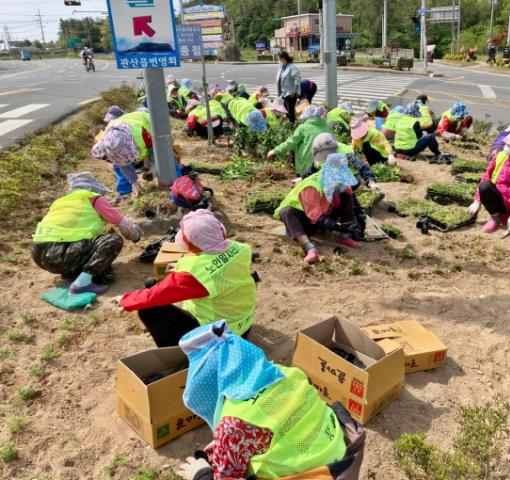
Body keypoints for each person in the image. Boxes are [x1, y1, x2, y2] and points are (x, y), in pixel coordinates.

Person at [174, 322, 364, 480]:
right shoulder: (286, 373)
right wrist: (228, 442)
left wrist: (200, 473)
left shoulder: (233, 424)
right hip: (342, 458)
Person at [117, 210, 257, 346]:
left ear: (190, 244)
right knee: (152, 285)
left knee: (148, 308)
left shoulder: (195, 274)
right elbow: (217, 268)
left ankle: (176, 352)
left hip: (218, 336)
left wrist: (125, 300)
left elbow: (155, 295)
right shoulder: (241, 248)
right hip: (242, 325)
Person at [32, 172, 142, 294]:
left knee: (82, 242)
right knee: (113, 240)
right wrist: (136, 235)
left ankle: (71, 272)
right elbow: (125, 226)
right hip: (60, 254)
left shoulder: (60, 202)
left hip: (39, 254)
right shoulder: (92, 198)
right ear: (91, 186)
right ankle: (82, 283)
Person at [274, 154, 363, 264]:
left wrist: (353, 222)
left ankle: (345, 237)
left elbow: (349, 194)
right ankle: (309, 247)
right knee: (286, 211)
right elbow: (316, 217)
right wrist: (338, 226)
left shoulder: (338, 182)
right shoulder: (312, 186)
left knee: (347, 195)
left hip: (323, 216)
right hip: (304, 221)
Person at [268, 105, 331, 174]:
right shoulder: (327, 127)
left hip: (307, 167)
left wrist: (275, 151)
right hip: (324, 166)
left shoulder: (304, 128)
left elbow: (290, 143)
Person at [276, 51, 302, 122]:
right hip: (283, 93)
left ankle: (292, 125)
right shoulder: (281, 67)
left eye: (278, 58)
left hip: (290, 93)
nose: (278, 60)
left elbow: (297, 79)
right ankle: (290, 124)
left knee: (290, 111)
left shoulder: (292, 67)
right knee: (286, 110)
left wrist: (294, 91)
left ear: (283, 58)